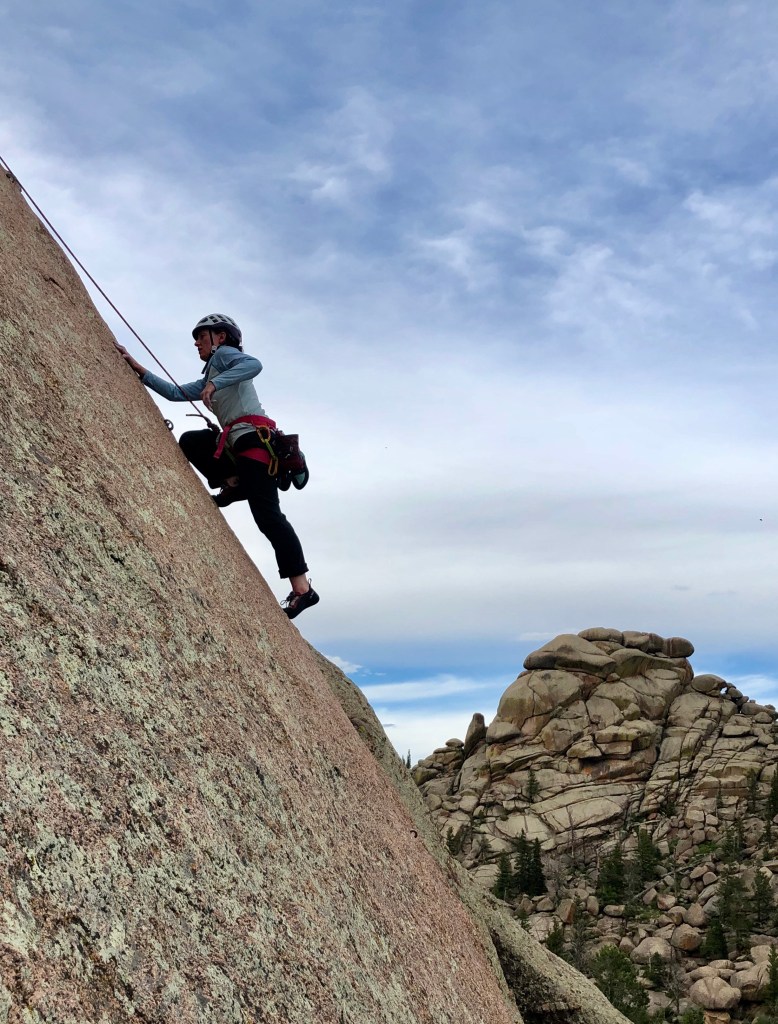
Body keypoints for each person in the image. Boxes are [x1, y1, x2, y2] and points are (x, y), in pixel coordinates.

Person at [114, 314, 319, 619]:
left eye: (202, 336)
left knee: (269, 518)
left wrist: (214, 384)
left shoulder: (225, 356)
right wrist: (139, 369)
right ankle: (235, 483)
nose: (197, 343)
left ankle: (303, 590)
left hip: (255, 444)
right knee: (192, 441)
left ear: (220, 337)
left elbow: (254, 365)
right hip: (238, 449)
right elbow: (176, 393)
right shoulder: (214, 371)